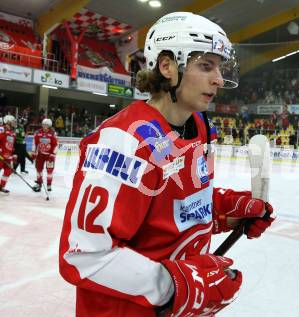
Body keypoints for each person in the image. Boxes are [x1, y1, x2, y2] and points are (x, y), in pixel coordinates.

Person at [59, 12, 275, 317]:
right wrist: (178, 285)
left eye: (219, 67)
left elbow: (174, 212)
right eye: (205, 65)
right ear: (167, 66)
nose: (217, 78)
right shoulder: (123, 141)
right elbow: (83, 255)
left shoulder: (199, 125)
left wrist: (229, 212)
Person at [32, 118, 58, 192]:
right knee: (39, 169)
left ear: (49, 126)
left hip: (49, 155)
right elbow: (35, 143)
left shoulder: (53, 133)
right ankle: (39, 183)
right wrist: (34, 152)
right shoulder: (38, 132)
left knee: (50, 170)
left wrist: (53, 154)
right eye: (43, 124)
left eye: (46, 125)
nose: (44, 126)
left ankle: (49, 184)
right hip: (40, 155)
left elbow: (56, 145)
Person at [0, 115, 17, 193]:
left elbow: (11, 145)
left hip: (7, 156)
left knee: (8, 171)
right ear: (8, 122)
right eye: (12, 121)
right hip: (1, 155)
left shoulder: (12, 133)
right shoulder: (2, 129)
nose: (14, 123)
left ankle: (1, 186)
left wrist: (13, 153)